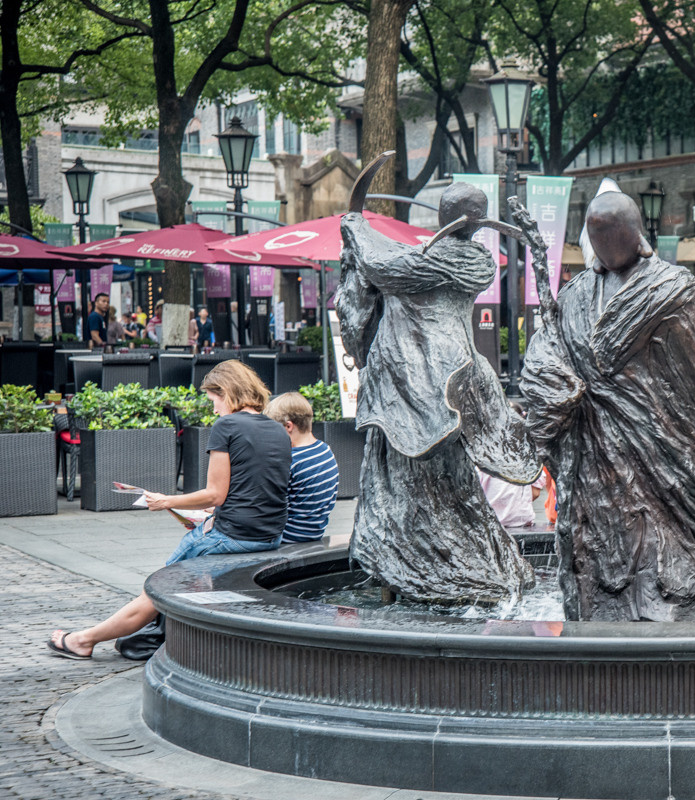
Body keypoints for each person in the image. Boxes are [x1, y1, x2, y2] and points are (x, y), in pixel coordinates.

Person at [521, 190, 695, 621]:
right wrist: (550, 378)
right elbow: (548, 350)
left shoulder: (668, 290)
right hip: (596, 452)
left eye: (613, 236)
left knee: (662, 545)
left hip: (658, 447)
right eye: (599, 240)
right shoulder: (576, 294)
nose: (606, 248)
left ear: (638, 238)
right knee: (600, 543)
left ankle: (675, 610)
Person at [338, 180, 539, 604]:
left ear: (445, 219)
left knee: (421, 472)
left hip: (425, 379)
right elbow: (393, 262)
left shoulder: (439, 262)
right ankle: (410, 560)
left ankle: (433, 565)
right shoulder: (477, 259)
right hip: (434, 375)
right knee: (423, 473)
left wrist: (356, 224)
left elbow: (380, 266)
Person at [47, 360, 291, 659]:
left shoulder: (227, 426)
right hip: (268, 536)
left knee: (156, 592)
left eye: (214, 400)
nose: (214, 409)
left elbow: (215, 494)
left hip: (231, 535)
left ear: (227, 392)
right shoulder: (278, 429)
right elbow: (256, 489)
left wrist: (166, 501)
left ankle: (84, 640)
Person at [264, 392, 340, 543]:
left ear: (288, 426)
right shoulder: (325, 450)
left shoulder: (291, 460)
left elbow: (271, 509)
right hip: (313, 533)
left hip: (286, 537)